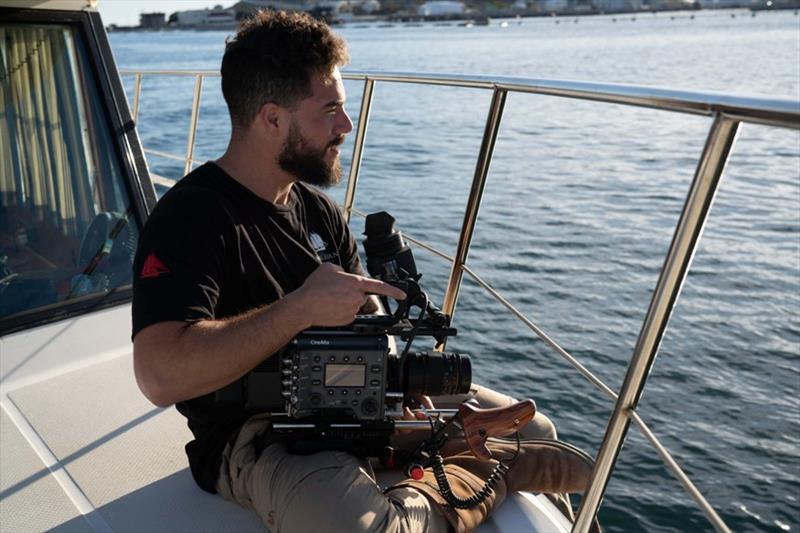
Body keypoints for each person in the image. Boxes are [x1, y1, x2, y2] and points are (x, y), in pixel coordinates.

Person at [132, 10, 593, 533]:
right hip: (259, 430)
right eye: (329, 111)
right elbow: (159, 375)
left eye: (344, 109)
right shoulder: (191, 218)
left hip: (359, 392)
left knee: (537, 426)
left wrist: (397, 380)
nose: (346, 126)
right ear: (272, 119)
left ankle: (470, 468)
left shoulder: (318, 210)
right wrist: (298, 309)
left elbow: (370, 316)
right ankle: (484, 475)